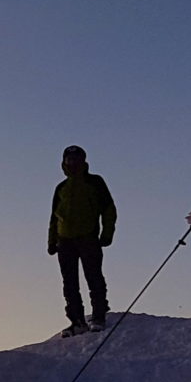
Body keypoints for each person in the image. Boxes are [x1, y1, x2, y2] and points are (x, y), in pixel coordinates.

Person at [47, 144, 116, 336]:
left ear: (83, 161)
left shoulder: (95, 182)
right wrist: (52, 241)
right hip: (64, 240)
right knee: (69, 283)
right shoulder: (61, 188)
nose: (73, 162)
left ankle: (99, 316)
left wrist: (107, 233)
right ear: (64, 162)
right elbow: (54, 217)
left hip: (88, 237)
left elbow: (108, 208)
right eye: (69, 159)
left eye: (76, 159)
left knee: (94, 277)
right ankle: (77, 321)